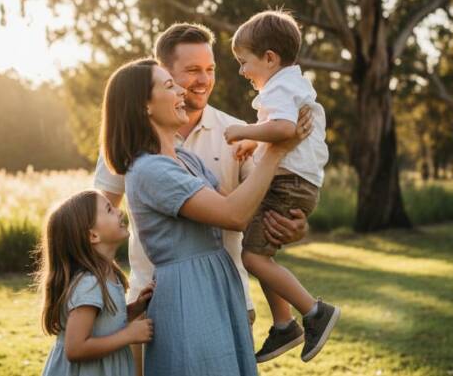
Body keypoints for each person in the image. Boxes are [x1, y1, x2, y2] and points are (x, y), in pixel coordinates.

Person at [92, 23, 310, 373]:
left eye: (210, 69)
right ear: (166, 74)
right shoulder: (136, 155)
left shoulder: (241, 132)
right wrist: (103, 303)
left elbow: (259, 202)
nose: (202, 80)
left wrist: (294, 223)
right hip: (161, 297)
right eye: (190, 71)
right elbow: (96, 226)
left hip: (227, 290)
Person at [224, 10, 340, 363]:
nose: (242, 71)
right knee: (261, 255)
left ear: (269, 58)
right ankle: (283, 325)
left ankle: (313, 311)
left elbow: (284, 131)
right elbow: (280, 132)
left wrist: (244, 131)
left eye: (244, 63)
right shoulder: (293, 83)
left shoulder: (276, 88)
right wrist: (254, 145)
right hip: (298, 182)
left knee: (253, 256)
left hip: (287, 183)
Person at [38, 190, 156, 376]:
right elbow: (75, 349)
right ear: (93, 236)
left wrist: (135, 308)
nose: (119, 211)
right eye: (109, 209)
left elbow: (104, 323)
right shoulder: (89, 284)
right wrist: (128, 335)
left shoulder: (107, 274)